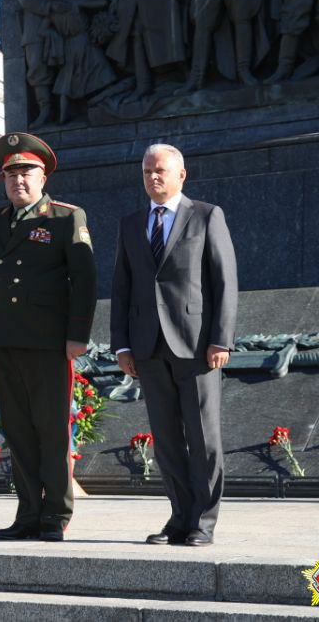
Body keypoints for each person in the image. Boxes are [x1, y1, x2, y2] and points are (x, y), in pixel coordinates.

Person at [0, 133, 96, 542]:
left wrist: (77, 335)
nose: (18, 181)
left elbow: (83, 281)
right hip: (6, 340)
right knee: (18, 430)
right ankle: (28, 511)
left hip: (49, 342)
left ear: (43, 175)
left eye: (26, 172)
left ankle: (55, 515)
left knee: (50, 430)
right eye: (10, 174)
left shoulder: (65, 218)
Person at [111, 144, 237, 547]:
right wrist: (122, 347)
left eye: (160, 171)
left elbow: (224, 282)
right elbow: (122, 288)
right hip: (148, 347)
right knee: (166, 440)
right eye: (147, 171)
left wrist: (221, 339)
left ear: (182, 174)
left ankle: (203, 521)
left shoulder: (206, 215)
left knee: (203, 438)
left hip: (197, 346)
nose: (153, 178)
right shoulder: (131, 224)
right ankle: (179, 517)